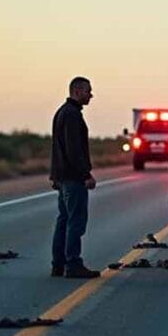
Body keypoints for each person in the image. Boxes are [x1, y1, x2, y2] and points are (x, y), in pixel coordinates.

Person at [50, 76, 100, 278]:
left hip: (63, 176)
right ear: (77, 91)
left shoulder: (63, 112)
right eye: (88, 91)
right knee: (75, 221)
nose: (91, 95)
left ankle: (58, 264)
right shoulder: (71, 115)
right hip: (72, 178)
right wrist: (85, 175)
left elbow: (57, 149)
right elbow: (73, 150)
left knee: (64, 220)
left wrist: (55, 176)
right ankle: (73, 263)